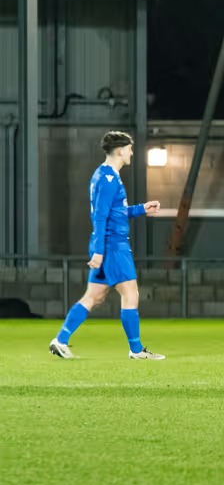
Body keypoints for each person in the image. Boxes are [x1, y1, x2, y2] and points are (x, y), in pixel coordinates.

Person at [49, 131, 164, 360]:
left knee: (94, 296)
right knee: (130, 294)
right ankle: (137, 350)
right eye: (130, 149)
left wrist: (142, 208)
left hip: (107, 245)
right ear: (120, 150)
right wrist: (100, 251)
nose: (131, 153)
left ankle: (60, 341)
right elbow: (100, 217)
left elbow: (115, 212)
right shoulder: (109, 178)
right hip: (113, 246)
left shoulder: (104, 175)